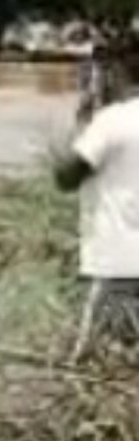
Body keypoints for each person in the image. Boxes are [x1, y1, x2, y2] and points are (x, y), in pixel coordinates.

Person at [55, 45, 139, 361]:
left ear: (116, 73)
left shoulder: (112, 121)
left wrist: (80, 127)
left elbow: (67, 176)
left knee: (93, 362)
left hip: (120, 263)